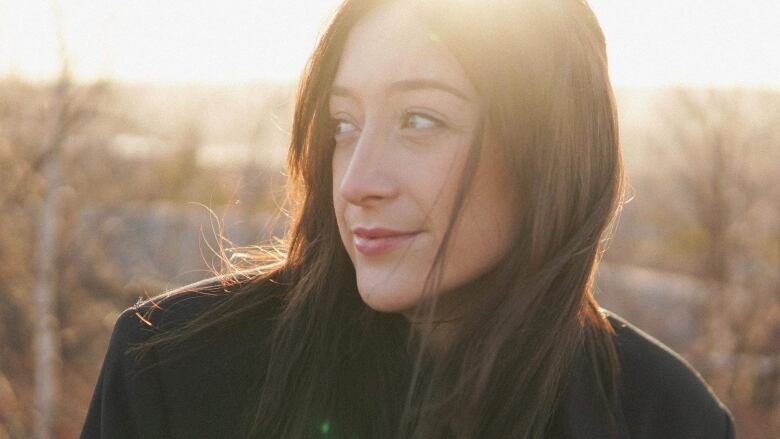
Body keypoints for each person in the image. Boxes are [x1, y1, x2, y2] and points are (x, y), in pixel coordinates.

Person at [80, 0, 736, 438]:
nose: (358, 181)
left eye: (420, 120)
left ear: (549, 152)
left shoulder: (665, 417)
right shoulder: (169, 371)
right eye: (344, 124)